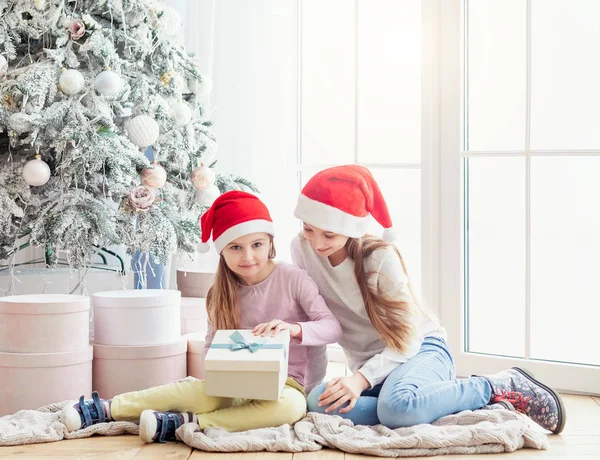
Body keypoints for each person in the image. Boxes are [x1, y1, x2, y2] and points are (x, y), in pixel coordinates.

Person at [291, 164, 565, 434]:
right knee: (318, 402)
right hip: (372, 368)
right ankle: (433, 404)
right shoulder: (301, 248)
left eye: (329, 234)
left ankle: (498, 386)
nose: (317, 243)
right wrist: (313, 384)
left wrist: (360, 380)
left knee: (396, 408)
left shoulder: (379, 258)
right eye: (308, 229)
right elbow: (314, 321)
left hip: (420, 350)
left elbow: (408, 338)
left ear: (351, 227)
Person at [61, 190, 342, 443]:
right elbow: (210, 348)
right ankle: (106, 408)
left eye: (256, 244)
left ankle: (186, 424)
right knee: (195, 390)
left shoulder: (294, 279)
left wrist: (293, 329)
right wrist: (225, 368)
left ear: (270, 242)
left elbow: (332, 328)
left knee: (292, 408)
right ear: (221, 252)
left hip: (287, 383)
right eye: (235, 247)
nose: (248, 256)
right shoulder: (220, 293)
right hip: (235, 381)